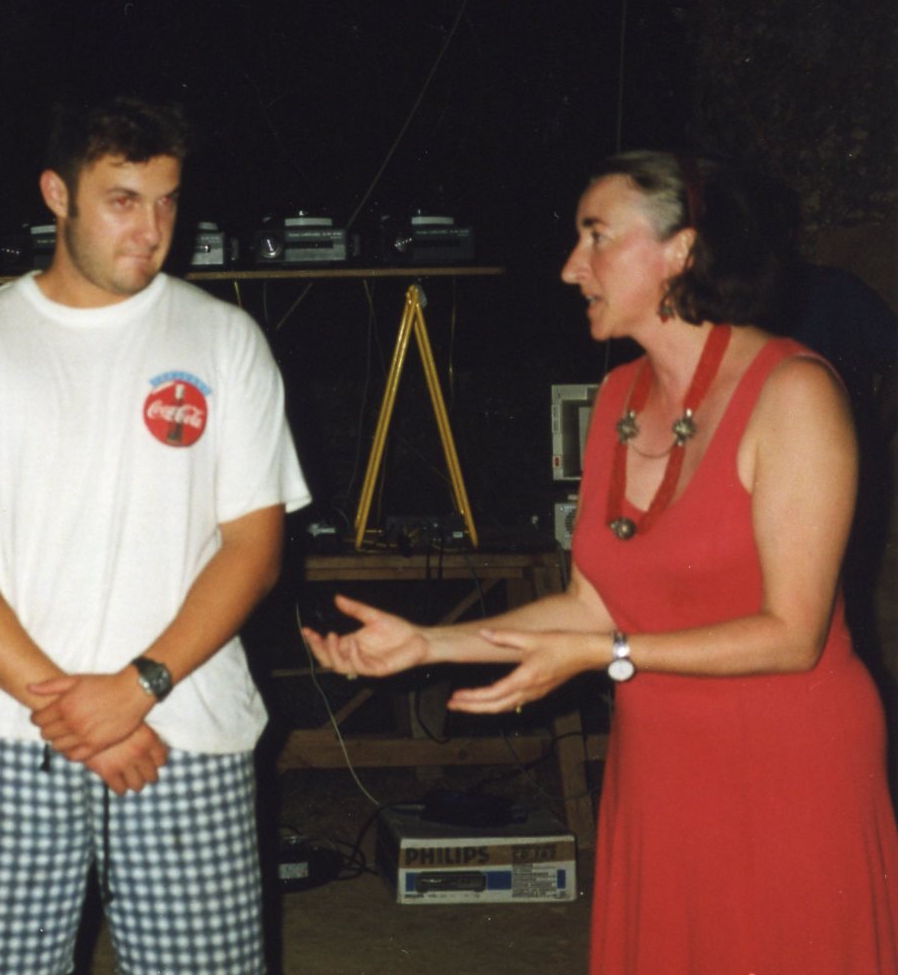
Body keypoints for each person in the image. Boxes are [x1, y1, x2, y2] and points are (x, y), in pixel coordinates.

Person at [304, 150, 898, 974]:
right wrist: (430, 644)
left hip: (786, 766)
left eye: (596, 236)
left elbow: (793, 635)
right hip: (660, 765)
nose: (570, 266)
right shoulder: (618, 399)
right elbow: (591, 604)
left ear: (681, 251)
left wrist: (604, 654)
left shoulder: (794, 392)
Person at [0, 95, 311, 975]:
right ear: (57, 194)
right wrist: (78, 711)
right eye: (123, 201)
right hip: (12, 736)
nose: (152, 230)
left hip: (185, 730)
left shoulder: (225, 339)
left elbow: (253, 549)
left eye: (167, 202)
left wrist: (139, 687)